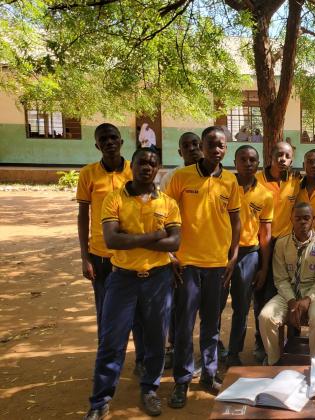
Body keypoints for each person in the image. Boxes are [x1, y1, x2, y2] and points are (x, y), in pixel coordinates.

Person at [84, 147, 181, 420]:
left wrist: (133, 238)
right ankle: (100, 401)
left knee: (155, 340)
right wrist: (155, 236)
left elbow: (175, 242)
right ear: (133, 166)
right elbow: (112, 240)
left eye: (152, 163)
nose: (146, 167)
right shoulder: (114, 199)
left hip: (158, 280)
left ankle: (150, 389)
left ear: (158, 168)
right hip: (122, 279)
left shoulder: (168, 203)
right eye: (141, 162)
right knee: (111, 341)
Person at [165, 126, 241, 408]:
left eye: (221, 145)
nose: (216, 149)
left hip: (218, 265)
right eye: (211, 144)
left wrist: (233, 255)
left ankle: (209, 374)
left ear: (225, 148)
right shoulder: (181, 177)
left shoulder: (230, 181)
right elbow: (164, 216)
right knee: (184, 326)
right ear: (202, 147)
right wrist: (171, 255)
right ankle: (182, 380)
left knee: (211, 325)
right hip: (187, 264)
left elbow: (236, 221)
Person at [76, 123, 146, 376]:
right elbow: (83, 215)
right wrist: (85, 257)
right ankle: (107, 364)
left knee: (138, 311)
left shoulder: (134, 170)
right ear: (97, 145)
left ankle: (141, 360)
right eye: (103, 139)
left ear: (121, 142)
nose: (109, 142)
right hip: (101, 256)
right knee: (106, 313)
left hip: (131, 255)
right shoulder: (88, 174)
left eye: (113, 138)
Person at [219, 145, 273, 366]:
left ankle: (234, 352)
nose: (248, 164)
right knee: (215, 305)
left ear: (258, 164)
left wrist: (264, 267)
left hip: (248, 255)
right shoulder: (223, 186)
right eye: (243, 159)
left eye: (252, 160)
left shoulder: (265, 195)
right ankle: (212, 350)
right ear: (235, 162)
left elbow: (265, 234)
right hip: (220, 254)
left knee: (241, 307)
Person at [258, 202, 315, 365]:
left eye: (306, 218)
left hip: (313, 294)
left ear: (313, 220)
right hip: (287, 293)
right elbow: (281, 278)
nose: (302, 222)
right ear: (291, 219)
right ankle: (274, 361)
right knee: (265, 317)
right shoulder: (281, 243)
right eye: (298, 218)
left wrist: (307, 299)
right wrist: (291, 301)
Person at [158, 132, 203, 368]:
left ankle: (211, 346)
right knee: (178, 304)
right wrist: (170, 254)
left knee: (208, 306)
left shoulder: (214, 176)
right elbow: (162, 216)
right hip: (180, 255)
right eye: (187, 146)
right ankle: (174, 346)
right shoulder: (172, 178)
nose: (192, 149)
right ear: (179, 152)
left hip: (207, 254)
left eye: (196, 144)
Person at [254, 141, 301, 361]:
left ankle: (292, 340)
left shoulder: (295, 181)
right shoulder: (257, 180)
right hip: (262, 243)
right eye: (279, 155)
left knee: (289, 289)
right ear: (271, 157)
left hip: (287, 245)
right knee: (262, 292)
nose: (283, 159)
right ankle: (261, 342)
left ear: (292, 160)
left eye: (287, 156)